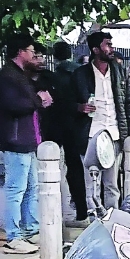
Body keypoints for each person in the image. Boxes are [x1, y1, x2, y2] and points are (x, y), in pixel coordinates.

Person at [0, 34, 45, 253]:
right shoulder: (8, 76)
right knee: (16, 189)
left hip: (27, 139)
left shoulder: (20, 75)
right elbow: (15, 105)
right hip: (15, 140)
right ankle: (13, 237)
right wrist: (39, 100)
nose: (35, 56)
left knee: (32, 188)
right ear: (20, 52)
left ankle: (30, 230)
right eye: (32, 51)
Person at [76, 32, 130, 215]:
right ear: (96, 50)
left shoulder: (120, 71)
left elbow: (129, 102)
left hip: (114, 134)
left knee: (112, 184)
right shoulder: (81, 74)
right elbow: (66, 102)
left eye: (111, 44)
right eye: (107, 45)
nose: (112, 49)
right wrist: (79, 107)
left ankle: (113, 219)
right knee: (91, 184)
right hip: (90, 135)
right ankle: (94, 221)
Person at [40, 41, 92, 226]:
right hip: (78, 126)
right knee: (76, 169)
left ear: (54, 56)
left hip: (56, 125)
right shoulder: (81, 73)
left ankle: (56, 213)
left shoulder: (53, 77)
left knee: (53, 170)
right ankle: (82, 211)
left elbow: (56, 103)